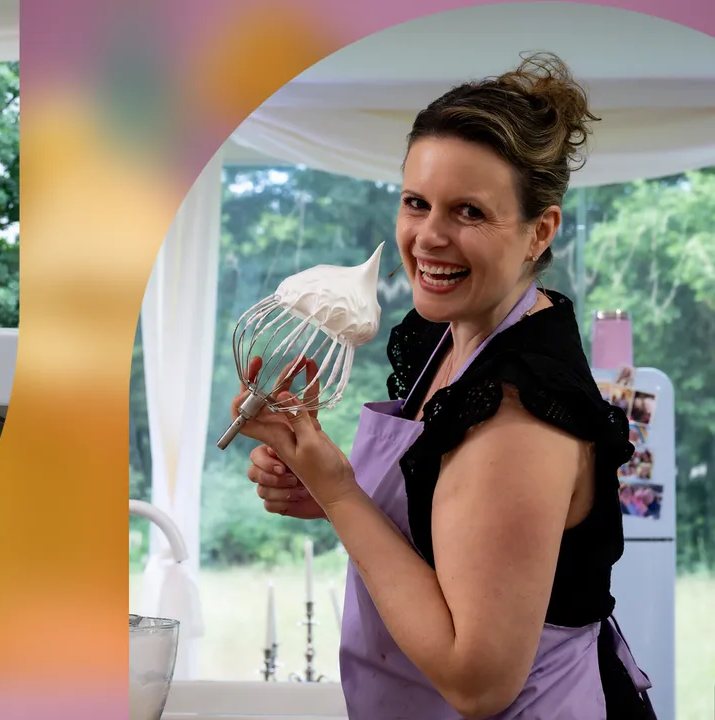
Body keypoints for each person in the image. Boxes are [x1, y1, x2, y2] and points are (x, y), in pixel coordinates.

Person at [237, 54, 656, 719]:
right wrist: (322, 483)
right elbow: (452, 530)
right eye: (416, 203)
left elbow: (477, 683)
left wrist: (340, 492)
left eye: (468, 211)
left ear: (539, 232)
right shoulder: (454, 332)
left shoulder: (521, 412)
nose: (429, 237)